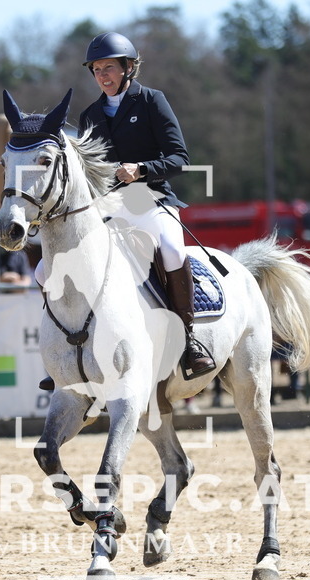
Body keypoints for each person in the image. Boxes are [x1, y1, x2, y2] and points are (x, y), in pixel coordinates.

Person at [78, 31, 215, 380]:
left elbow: (180, 158)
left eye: (109, 67)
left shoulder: (152, 101)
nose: (103, 76)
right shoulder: (89, 115)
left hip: (151, 199)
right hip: (109, 206)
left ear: (128, 68)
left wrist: (141, 170)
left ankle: (189, 339)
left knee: (171, 249)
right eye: (96, 70)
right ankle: (73, 349)